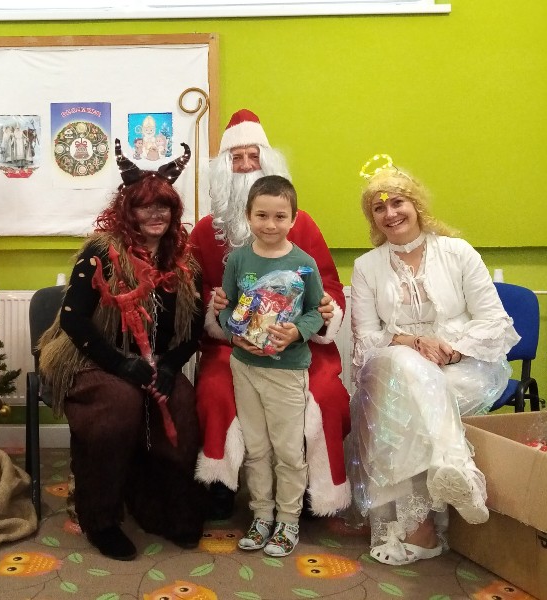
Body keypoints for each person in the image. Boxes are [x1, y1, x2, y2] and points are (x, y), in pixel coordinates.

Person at [38, 139, 206, 561]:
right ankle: (100, 518)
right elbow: (74, 321)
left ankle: (164, 507)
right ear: (127, 210)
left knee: (182, 405)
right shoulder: (101, 252)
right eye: (145, 207)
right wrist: (119, 364)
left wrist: (171, 366)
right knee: (119, 405)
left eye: (163, 206)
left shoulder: (185, 261)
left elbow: (193, 329)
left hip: (153, 361)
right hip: (90, 356)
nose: (155, 214)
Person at [347, 161, 520, 566]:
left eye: (398, 202)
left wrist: (452, 349)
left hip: (466, 365)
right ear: (372, 218)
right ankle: (454, 465)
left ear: (416, 204)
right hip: (397, 363)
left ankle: (419, 530)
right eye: (378, 207)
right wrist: (412, 342)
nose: (390, 213)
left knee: (398, 406)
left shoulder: (457, 252)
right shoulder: (366, 267)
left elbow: (495, 320)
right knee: (401, 369)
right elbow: (366, 339)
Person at [189, 109, 351, 520]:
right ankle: (220, 484)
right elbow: (191, 295)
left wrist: (322, 312)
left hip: (298, 344)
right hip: (231, 346)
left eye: (253, 156)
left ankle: (315, 490)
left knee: (328, 394)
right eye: (236, 158)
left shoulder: (303, 226)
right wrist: (215, 312)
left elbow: (328, 287)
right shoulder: (205, 231)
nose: (246, 166)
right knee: (214, 390)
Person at [219, 175, 324, 556]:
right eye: (261, 215)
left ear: (293, 219)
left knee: (288, 451)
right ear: (248, 216)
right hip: (245, 366)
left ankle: (288, 520)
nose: (270, 224)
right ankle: (262, 515)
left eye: (280, 216)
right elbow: (228, 308)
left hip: (287, 369)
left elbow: (315, 312)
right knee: (256, 448)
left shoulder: (304, 264)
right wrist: (234, 335)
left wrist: (296, 332)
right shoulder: (238, 260)